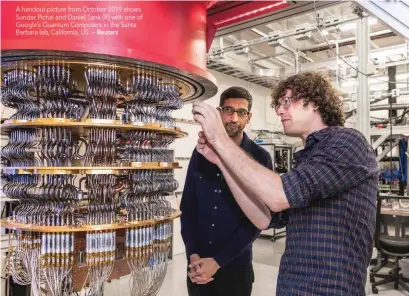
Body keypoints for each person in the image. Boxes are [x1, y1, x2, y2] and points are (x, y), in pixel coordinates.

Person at [190, 71, 379, 295]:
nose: (279, 110)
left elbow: (278, 196)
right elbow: (265, 218)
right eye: (279, 104)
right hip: (292, 287)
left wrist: (219, 138)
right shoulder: (307, 159)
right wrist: (220, 161)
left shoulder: (348, 142)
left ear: (315, 102)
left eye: (287, 101)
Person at [180, 86, 273, 296]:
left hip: (235, 268)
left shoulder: (260, 158)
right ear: (220, 112)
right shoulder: (201, 153)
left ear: (248, 117)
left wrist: (219, 261)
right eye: (228, 110)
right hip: (199, 266)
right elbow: (188, 206)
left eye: (241, 113)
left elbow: (257, 220)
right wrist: (192, 254)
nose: (234, 118)